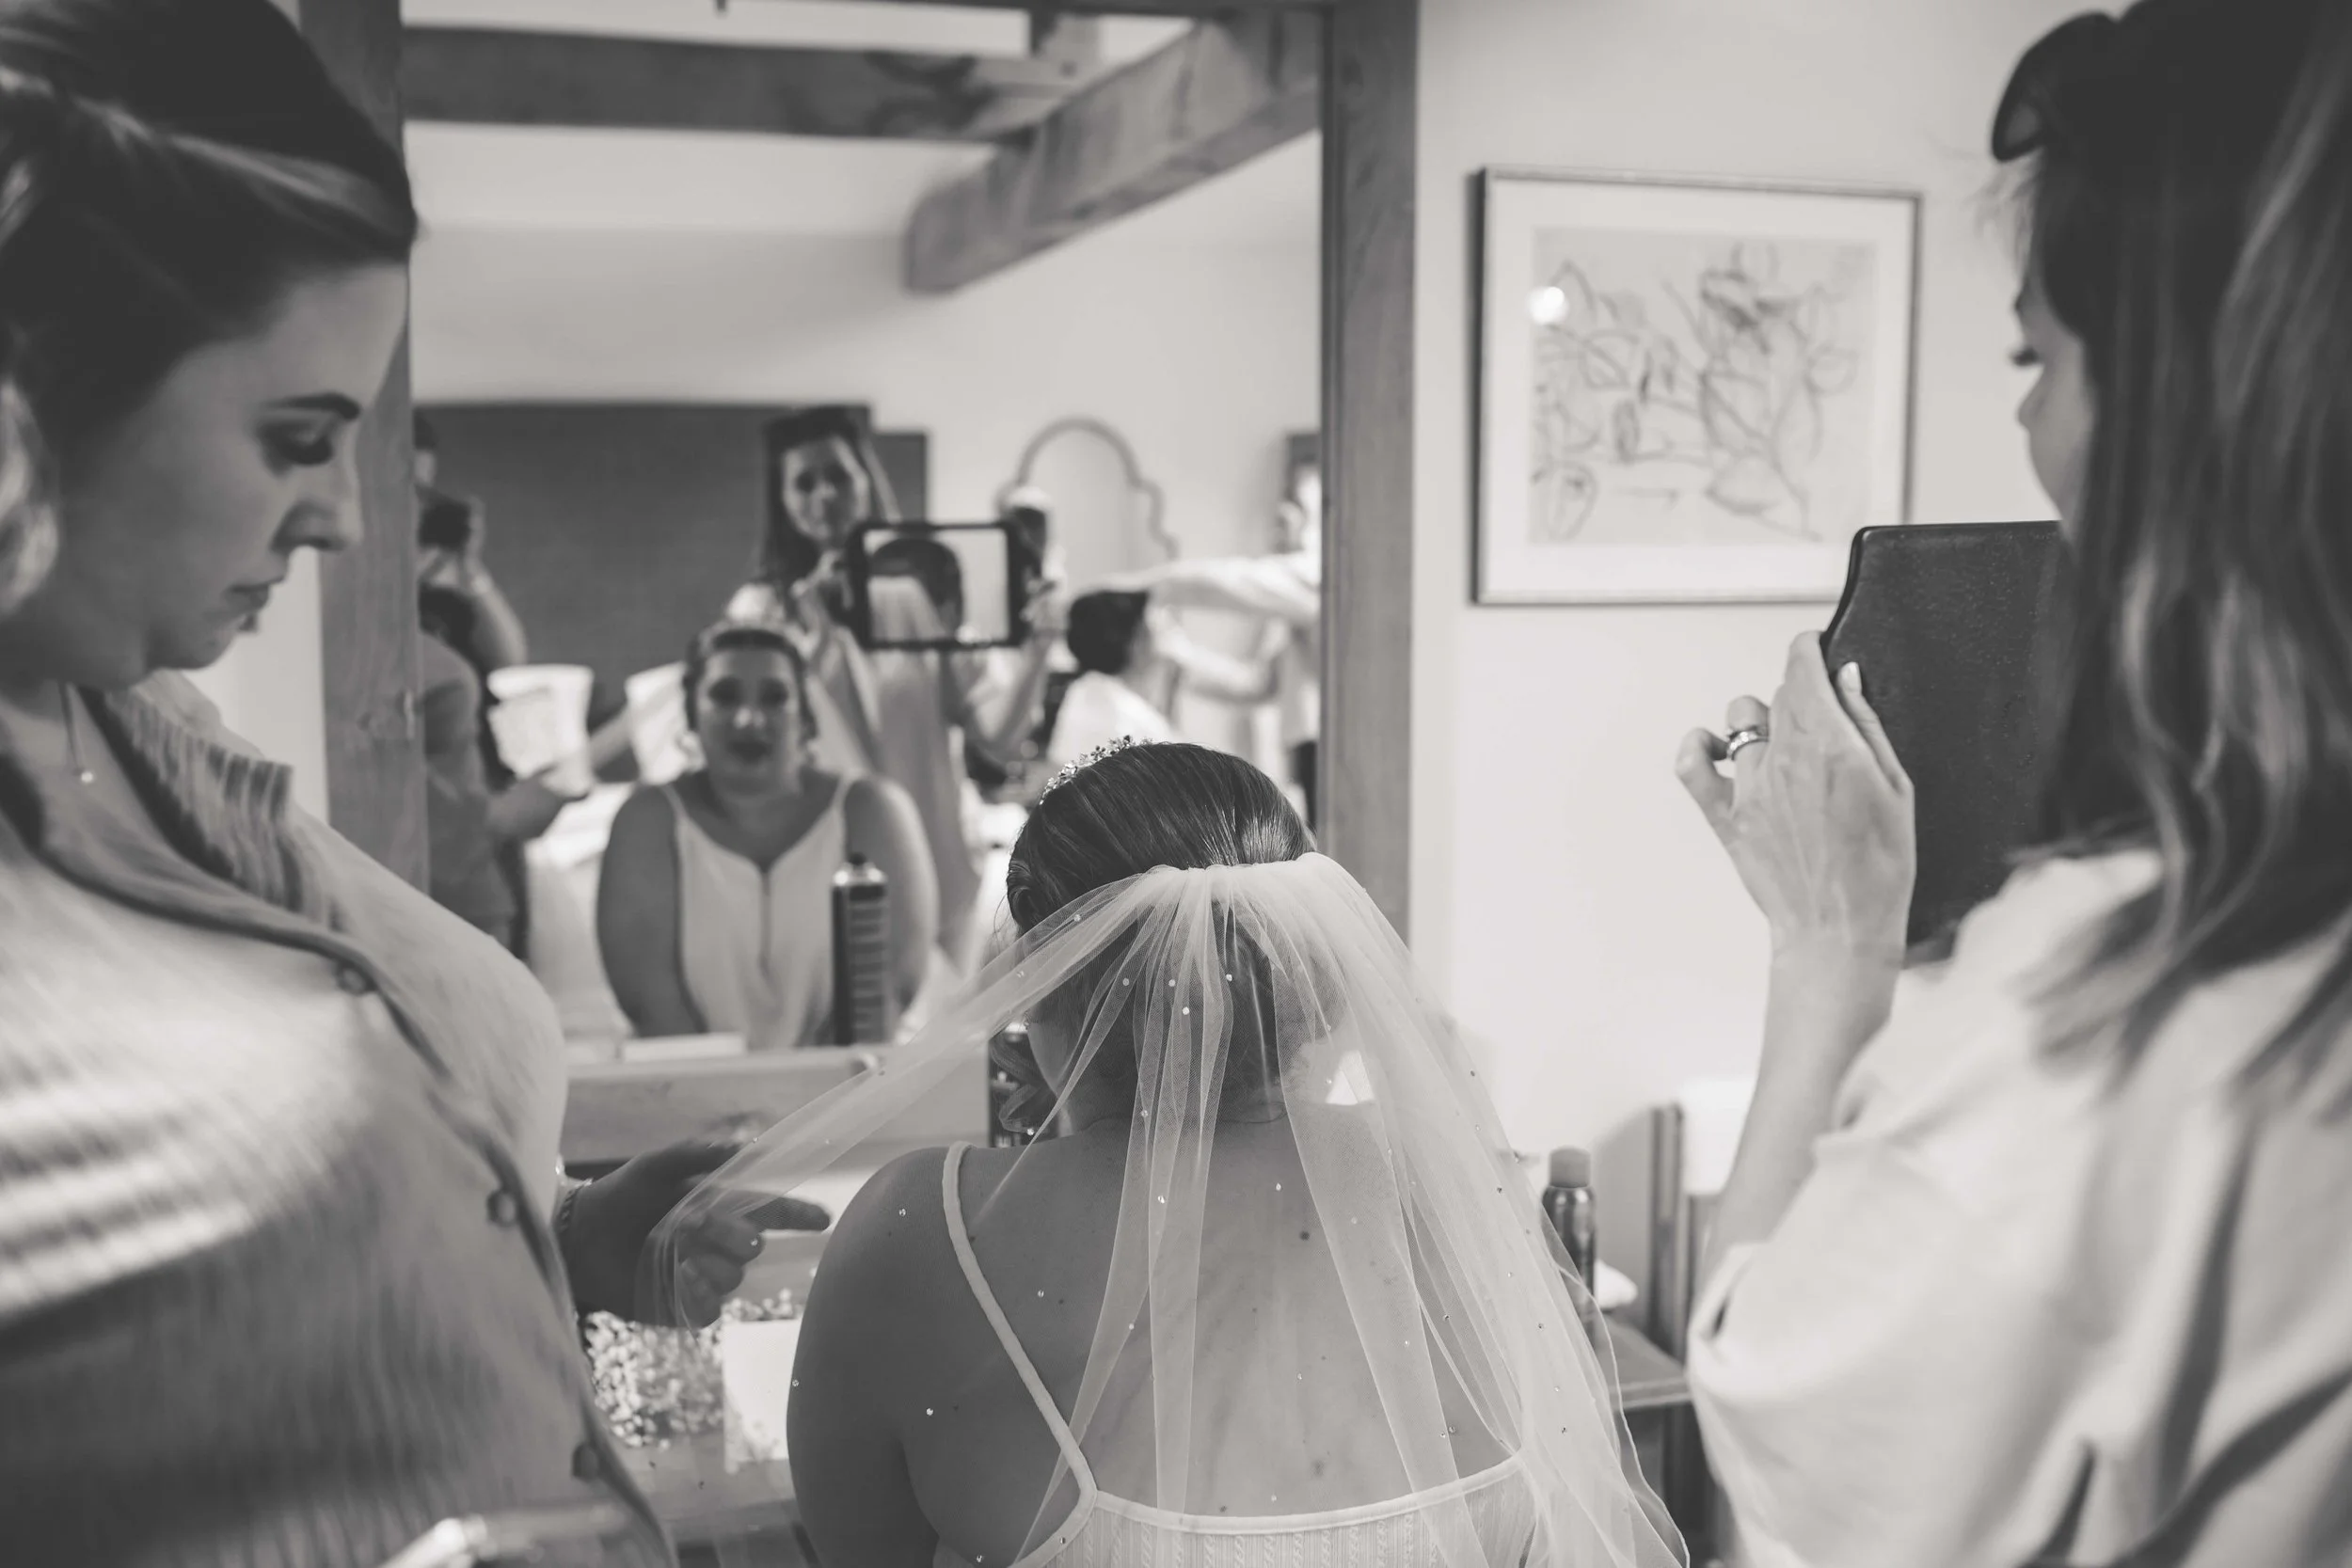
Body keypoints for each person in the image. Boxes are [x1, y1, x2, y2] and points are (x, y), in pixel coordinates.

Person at [0, 0, 815, 1558]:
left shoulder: (157, 736)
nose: (343, 525)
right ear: (35, 387)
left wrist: (567, 1242)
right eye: (297, 438)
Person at [1674, 5, 2352, 1564]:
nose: (2028, 419)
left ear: (2195, 400)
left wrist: (1828, 954)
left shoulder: (2131, 1001)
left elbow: (1793, 1445)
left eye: (2039, 353)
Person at [649, 740, 1686, 1568]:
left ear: (1042, 988)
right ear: (1308, 963)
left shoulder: (924, 1229)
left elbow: (858, 1549)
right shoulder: (1462, 1185)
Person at [731, 405, 1062, 969]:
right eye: (804, 483)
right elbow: (751, 760)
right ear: (783, 502)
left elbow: (998, 740)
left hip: (941, 868)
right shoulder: (761, 616)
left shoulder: (912, 596)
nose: (824, 497)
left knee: (947, 1046)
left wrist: (1040, 647)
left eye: (838, 476)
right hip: (827, 875)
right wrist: (805, 649)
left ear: (866, 480)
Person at [596, 619, 937, 1049]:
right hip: (694, 1093)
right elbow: (653, 1010)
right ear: (691, 713)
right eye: (724, 696)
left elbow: (887, 995)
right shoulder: (646, 821)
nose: (749, 718)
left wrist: (820, 1105)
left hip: (854, 1087)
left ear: (806, 718)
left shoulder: (873, 810)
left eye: (775, 698)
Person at [1110, 474, 1322, 824]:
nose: (1276, 532)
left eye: (1288, 517)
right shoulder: (1290, 612)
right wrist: (1176, 652)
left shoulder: (1315, 577)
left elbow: (1222, 584)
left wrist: (1129, 587)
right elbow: (1258, 684)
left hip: (1327, 747)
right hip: (1307, 755)